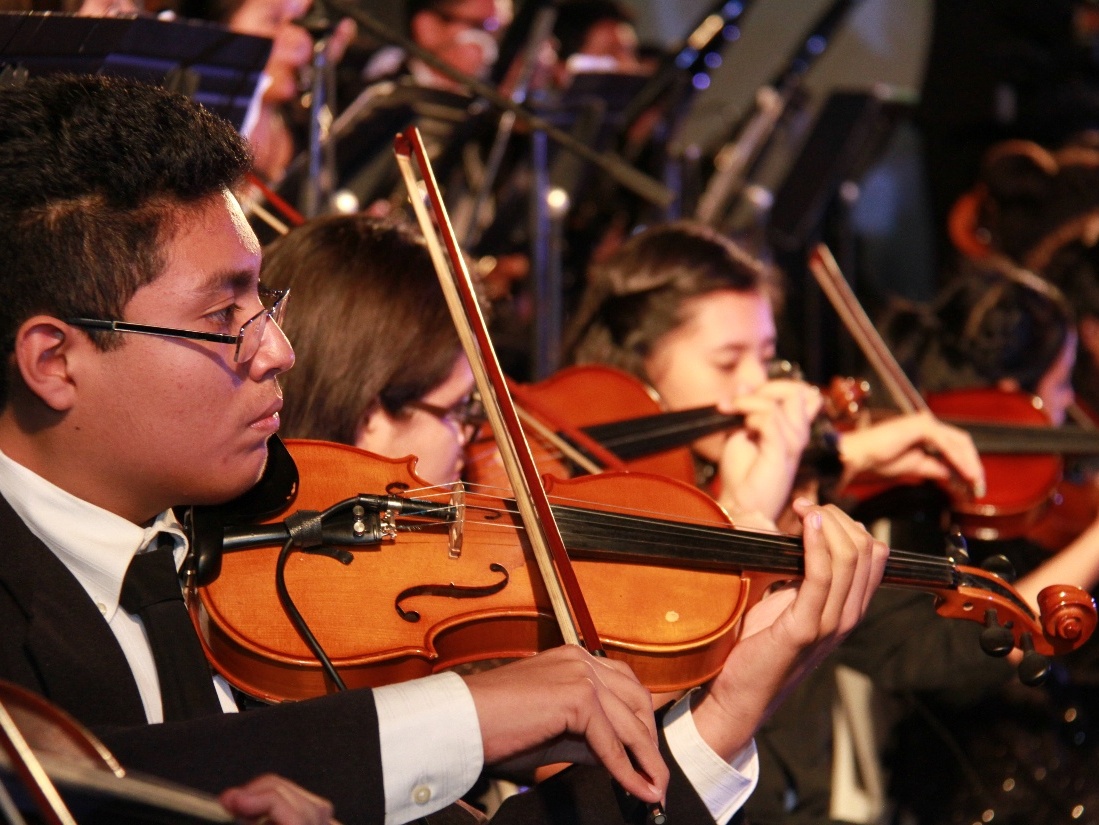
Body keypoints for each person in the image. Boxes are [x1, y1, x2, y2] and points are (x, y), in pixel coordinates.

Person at [0, 74, 890, 825]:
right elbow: (78, 782)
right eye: (221, 315)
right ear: (54, 360)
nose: (279, 350)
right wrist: (468, 712)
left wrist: (726, 710)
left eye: (262, 303)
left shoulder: (250, 556)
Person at [561, 219, 1099, 825]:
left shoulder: (787, 480)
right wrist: (755, 501)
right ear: (636, 367)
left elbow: (916, 650)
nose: (757, 390)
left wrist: (838, 462)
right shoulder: (614, 503)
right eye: (727, 361)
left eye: (765, 358)